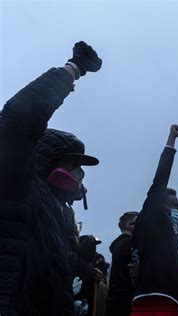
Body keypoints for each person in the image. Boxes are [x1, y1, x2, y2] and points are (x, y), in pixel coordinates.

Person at [0, 41, 101, 315]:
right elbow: (18, 119)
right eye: (73, 164)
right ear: (48, 161)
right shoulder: (19, 184)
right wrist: (73, 69)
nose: (78, 175)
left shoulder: (59, 215)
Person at [131, 124, 178, 316]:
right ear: (160, 205)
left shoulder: (173, 239)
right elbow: (160, 178)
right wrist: (171, 139)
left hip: (173, 303)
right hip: (152, 303)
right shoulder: (151, 218)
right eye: (174, 204)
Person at [106, 211, 139, 316]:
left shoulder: (118, 245)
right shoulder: (132, 244)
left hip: (115, 300)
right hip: (128, 302)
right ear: (130, 225)